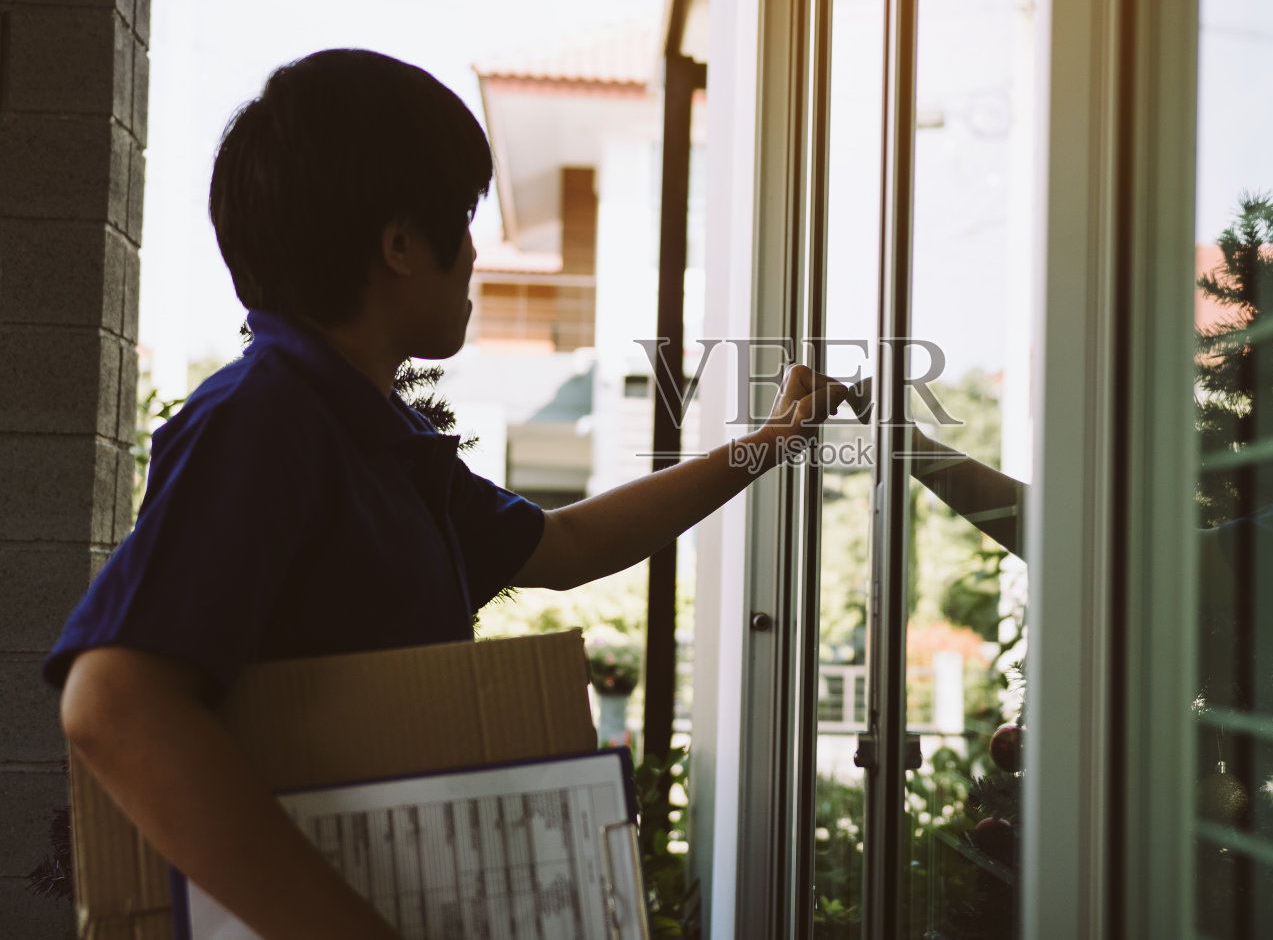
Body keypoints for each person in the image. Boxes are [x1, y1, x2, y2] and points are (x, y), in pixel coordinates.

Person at [45, 49, 847, 940]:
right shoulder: (264, 419)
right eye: (461, 222)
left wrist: (767, 448)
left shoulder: (376, 438)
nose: (474, 252)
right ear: (398, 244)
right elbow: (112, 702)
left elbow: (565, 546)